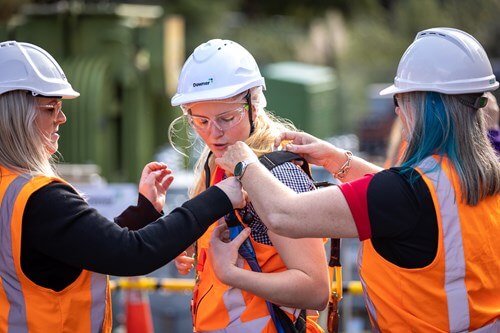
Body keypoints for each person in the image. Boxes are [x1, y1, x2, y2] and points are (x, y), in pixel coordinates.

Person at [214, 27, 500, 332]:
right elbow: (416, 204)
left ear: (421, 105)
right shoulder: (482, 176)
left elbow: (284, 214)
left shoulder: (403, 195)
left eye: (399, 102)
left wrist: (244, 162)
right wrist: (335, 159)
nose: (399, 113)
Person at [0, 40, 245, 333]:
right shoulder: (39, 199)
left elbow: (76, 248)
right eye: (51, 108)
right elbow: (131, 254)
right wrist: (218, 197)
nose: (61, 118)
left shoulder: (10, 192)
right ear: (14, 116)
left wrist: (143, 212)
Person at [169, 39, 329, 333]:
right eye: (200, 121)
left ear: (254, 105)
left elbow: (315, 290)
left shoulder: (279, 175)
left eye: (226, 118)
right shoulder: (216, 166)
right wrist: (197, 249)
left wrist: (231, 274)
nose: (213, 133)